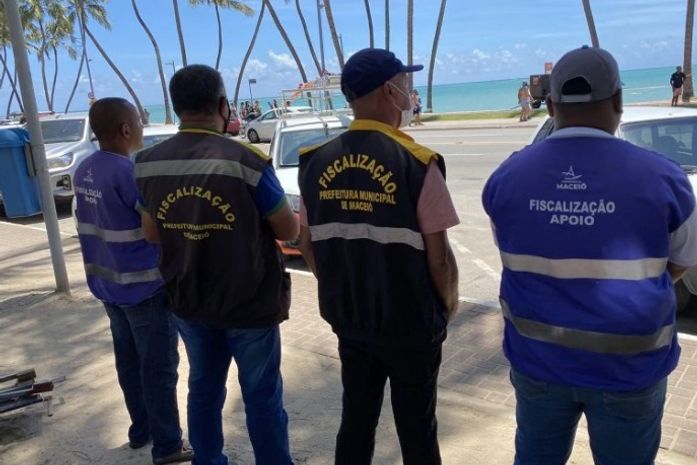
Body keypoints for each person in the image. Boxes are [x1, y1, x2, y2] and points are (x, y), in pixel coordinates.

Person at [482, 46, 697, 465]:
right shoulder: (664, 178)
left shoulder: (508, 177)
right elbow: (681, 261)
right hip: (629, 370)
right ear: (618, 100)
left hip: (538, 363)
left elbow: (511, 249)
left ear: (551, 106)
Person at [298, 48, 460, 465]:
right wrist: (448, 305)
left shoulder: (315, 162)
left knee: (356, 419)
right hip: (411, 324)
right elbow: (439, 259)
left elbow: (307, 242)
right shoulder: (417, 163)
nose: (409, 93)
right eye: (405, 84)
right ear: (390, 90)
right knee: (417, 428)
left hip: (350, 319)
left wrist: (339, 289)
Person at [135, 65, 298, 465]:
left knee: (204, 390)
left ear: (177, 108)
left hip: (189, 301)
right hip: (249, 304)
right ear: (223, 106)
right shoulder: (246, 161)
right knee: (262, 396)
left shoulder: (148, 163)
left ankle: (208, 460)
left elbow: (151, 234)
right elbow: (288, 228)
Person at [73, 98, 192, 465]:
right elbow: (154, 228)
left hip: (107, 287)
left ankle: (141, 429)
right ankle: (168, 445)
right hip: (144, 289)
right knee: (158, 368)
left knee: (129, 363)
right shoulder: (130, 173)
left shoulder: (84, 169)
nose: (142, 126)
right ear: (126, 130)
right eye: (139, 121)